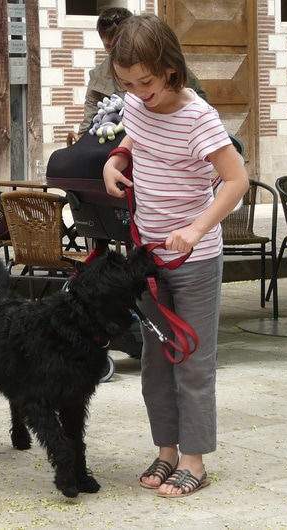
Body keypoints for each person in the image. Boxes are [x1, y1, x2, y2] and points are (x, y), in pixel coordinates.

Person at [102, 14, 249, 498]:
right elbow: (135, 135)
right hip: (148, 256)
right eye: (128, 83)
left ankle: (194, 461)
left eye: (147, 81)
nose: (140, 91)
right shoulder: (134, 102)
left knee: (192, 360)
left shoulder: (198, 116)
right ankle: (166, 451)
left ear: (169, 68)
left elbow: (237, 181)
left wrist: (196, 227)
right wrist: (115, 159)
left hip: (195, 259)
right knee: (155, 361)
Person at [78, 8, 207, 134]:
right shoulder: (98, 78)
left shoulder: (197, 111)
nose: (138, 93)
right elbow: (88, 127)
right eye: (127, 84)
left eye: (146, 82)